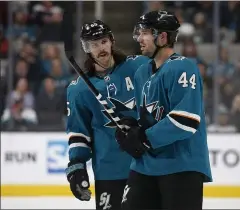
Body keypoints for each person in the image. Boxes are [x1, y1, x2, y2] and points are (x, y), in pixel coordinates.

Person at [115, 10, 212, 210]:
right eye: (138, 32)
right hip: (145, 166)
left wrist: (143, 137)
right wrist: (129, 126)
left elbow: (186, 121)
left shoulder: (183, 67)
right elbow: (146, 114)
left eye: (145, 33)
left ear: (162, 36)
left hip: (181, 165)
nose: (139, 38)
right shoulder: (142, 72)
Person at [65, 20, 149, 210]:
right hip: (109, 171)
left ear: (111, 41)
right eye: (93, 45)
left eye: (103, 41)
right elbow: (78, 132)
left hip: (146, 165)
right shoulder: (79, 89)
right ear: (86, 48)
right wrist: (77, 164)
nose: (100, 48)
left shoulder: (139, 67)